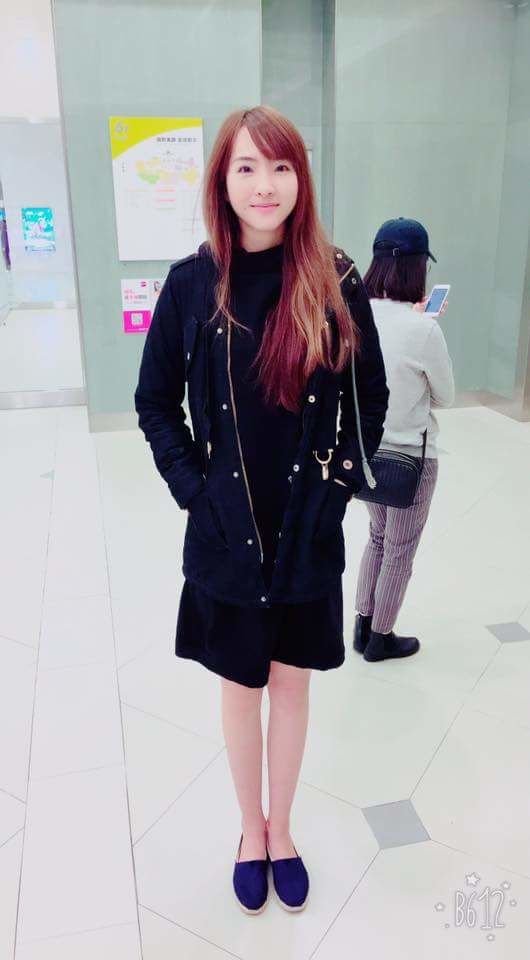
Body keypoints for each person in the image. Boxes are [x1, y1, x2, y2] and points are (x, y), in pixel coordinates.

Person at [134, 105, 388, 914]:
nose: (265, 184)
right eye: (246, 167)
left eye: (281, 167)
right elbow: (153, 402)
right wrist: (194, 491)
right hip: (228, 533)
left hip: (306, 527)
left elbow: (371, 396)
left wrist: (336, 493)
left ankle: (285, 830)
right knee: (242, 686)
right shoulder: (191, 283)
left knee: (292, 685)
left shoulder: (335, 279)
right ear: (223, 179)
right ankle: (252, 829)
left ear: (300, 180)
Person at [353, 217, 454, 663]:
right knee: (400, 549)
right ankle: (382, 637)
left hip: (365, 453)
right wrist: (424, 327)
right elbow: (446, 396)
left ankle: (362, 625)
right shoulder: (424, 329)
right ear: (417, 269)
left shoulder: (355, 316)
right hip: (411, 459)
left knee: (377, 536)